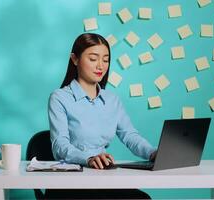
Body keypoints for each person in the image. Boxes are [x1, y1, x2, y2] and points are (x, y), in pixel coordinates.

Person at [47, 33, 156, 199]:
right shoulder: (60, 98)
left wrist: (153, 153)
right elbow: (59, 145)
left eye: (105, 60)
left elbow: (129, 135)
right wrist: (89, 158)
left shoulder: (112, 100)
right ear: (75, 59)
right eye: (93, 58)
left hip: (103, 178)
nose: (101, 66)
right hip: (71, 182)